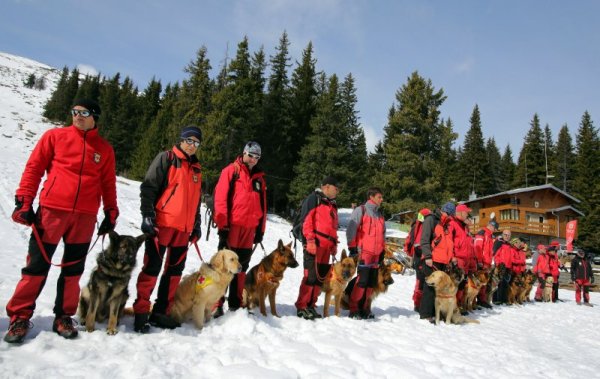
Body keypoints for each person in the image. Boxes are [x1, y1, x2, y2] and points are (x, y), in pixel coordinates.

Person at [4, 99, 118, 343]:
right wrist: (24, 201)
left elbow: (108, 183)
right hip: (52, 211)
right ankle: (19, 317)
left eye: (83, 112)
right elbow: (34, 168)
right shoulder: (55, 137)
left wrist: (111, 212)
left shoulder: (104, 149)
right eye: (74, 111)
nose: (77, 116)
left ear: (94, 116)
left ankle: (64, 316)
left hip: (85, 217)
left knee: (73, 270)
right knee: (36, 266)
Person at [133, 126, 203, 333]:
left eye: (196, 143)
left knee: (174, 272)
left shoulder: (197, 169)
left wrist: (196, 225)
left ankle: (161, 312)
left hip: (183, 230)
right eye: (189, 140)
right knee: (152, 268)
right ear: (181, 140)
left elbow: (196, 201)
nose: (192, 145)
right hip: (161, 224)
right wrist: (147, 215)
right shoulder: (167, 158)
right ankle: (141, 312)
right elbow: (149, 187)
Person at [213, 141, 267, 316]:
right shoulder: (232, 171)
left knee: (242, 266)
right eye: (250, 155)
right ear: (244, 153)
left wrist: (260, 230)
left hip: (249, 229)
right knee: (224, 266)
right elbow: (220, 199)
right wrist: (223, 226)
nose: (252, 160)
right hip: (232, 227)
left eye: (256, 157)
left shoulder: (259, 179)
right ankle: (217, 303)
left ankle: (236, 302)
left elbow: (263, 206)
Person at [295, 176, 339, 320]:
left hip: (326, 248)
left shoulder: (332, 204)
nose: (337, 191)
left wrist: (334, 244)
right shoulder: (314, 199)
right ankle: (302, 306)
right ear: (326, 186)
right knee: (310, 277)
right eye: (336, 188)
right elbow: (306, 221)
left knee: (319, 279)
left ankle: (311, 305)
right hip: (314, 245)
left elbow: (333, 228)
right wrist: (310, 240)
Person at [346, 187, 386, 319]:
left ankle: (364, 308)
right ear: (372, 197)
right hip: (363, 253)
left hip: (376, 254)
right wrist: (352, 247)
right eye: (379, 197)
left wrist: (382, 251)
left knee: (371, 283)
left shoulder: (380, 215)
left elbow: (382, 235)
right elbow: (351, 229)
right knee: (362, 282)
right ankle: (354, 309)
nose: (382, 199)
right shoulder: (361, 210)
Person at [418, 202, 456, 322]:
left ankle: (435, 313)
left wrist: (449, 259)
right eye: (450, 214)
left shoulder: (447, 225)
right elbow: (424, 239)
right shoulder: (431, 219)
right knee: (429, 287)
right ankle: (425, 314)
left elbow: (448, 244)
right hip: (432, 259)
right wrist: (428, 256)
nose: (451, 217)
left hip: (443, 261)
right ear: (445, 211)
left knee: (439, 288)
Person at [450, 204, 476, 313]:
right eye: (466, 212)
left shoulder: (464, 227)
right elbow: (449, 241)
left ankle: (459, 305)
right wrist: (452, 257)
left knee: (462, 285)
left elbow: (469, 245)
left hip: (466, 260)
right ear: (460, 212)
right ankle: (453, 307)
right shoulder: (453, 224)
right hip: (457, 259)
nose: (467, 214)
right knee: (454, 285)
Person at [405, 208, 431, 312]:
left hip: (418, 256)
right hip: (421, 256)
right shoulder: (421, 227)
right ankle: (418, 304)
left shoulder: (415, 226)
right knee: (421, 282)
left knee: (420, 281)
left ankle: (418, 303)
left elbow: (408, 242)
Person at [473, 219, 498, 308]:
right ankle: (474, 300)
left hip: (486, 262)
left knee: (484, 282)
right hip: (481, 262)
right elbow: (477, 247)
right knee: (477, 282)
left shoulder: (490, 236)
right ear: (491, 226)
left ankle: (481, 300)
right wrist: (479, 261)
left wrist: (490, 262)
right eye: (495, 228)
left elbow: (489, 251)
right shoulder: (482, 233)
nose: (495, 231)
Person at [493, 230, 513, 304]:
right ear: (502, 235)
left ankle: (504, 299)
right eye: (505, 235)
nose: (507, 237)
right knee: (498, 283)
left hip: (508, 266)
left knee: (505, 284)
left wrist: (510, 266)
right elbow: (496, 254)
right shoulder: (499, 242)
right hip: (500, 266)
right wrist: (498, 264)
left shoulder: (509, 245)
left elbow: (510, 256)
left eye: (508, 235)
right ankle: (496, 299)